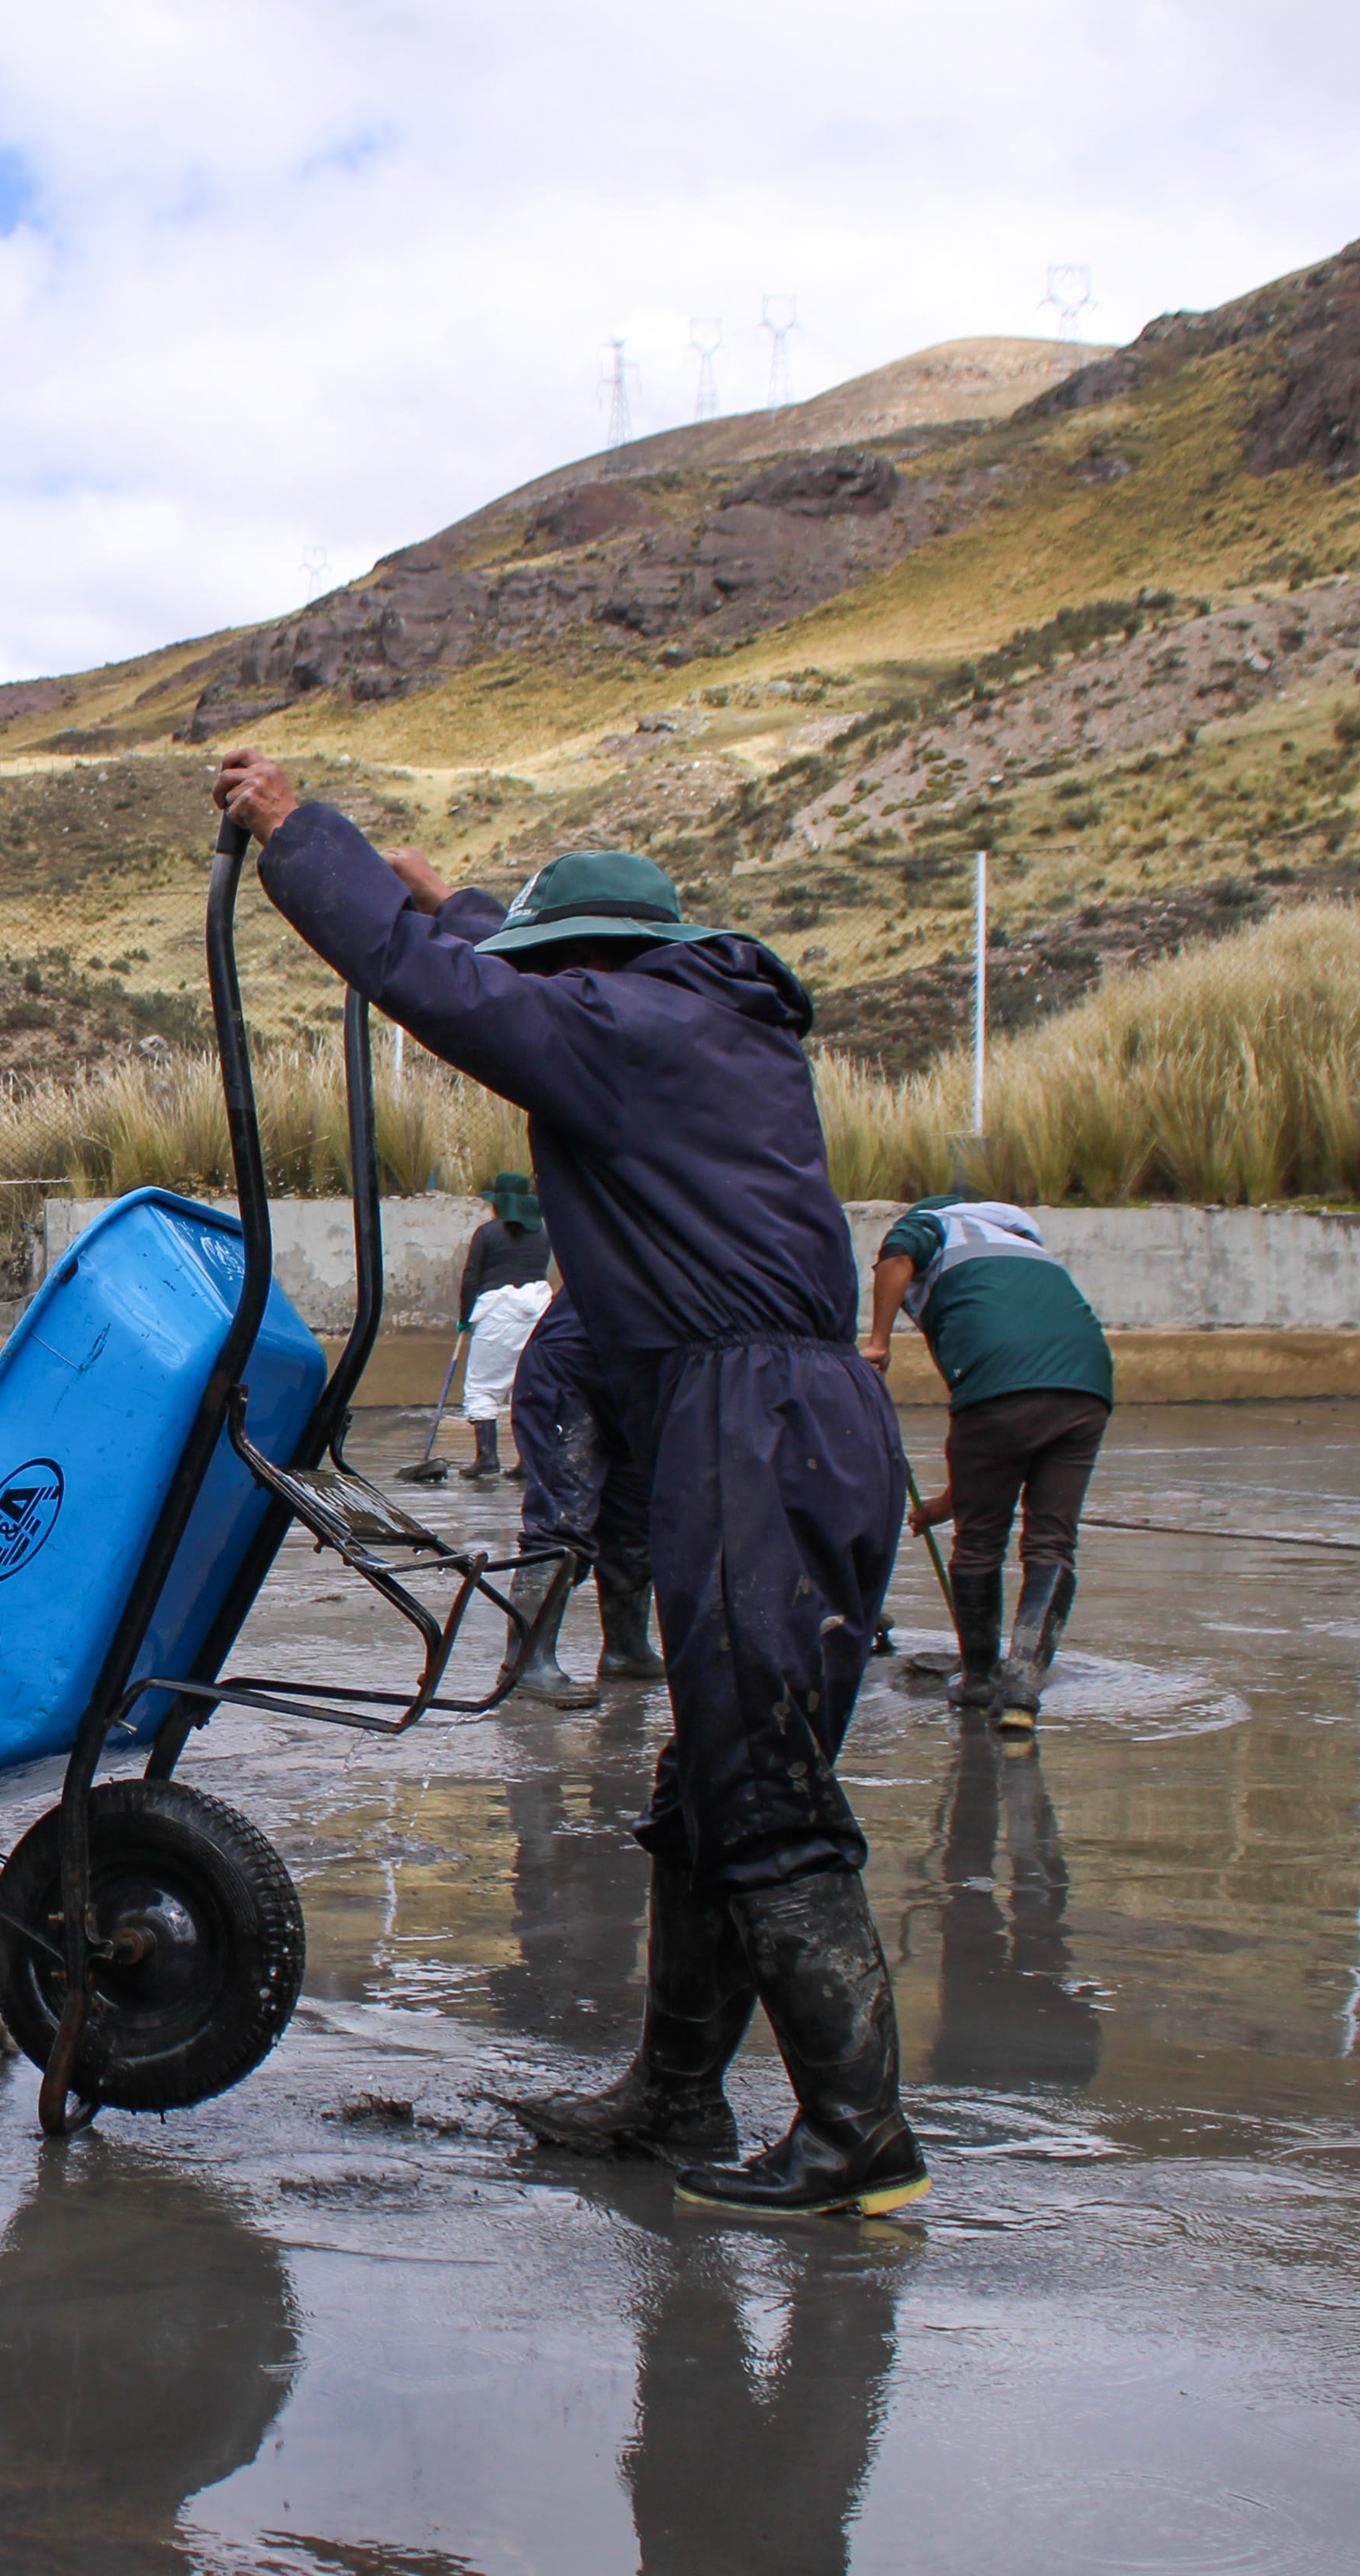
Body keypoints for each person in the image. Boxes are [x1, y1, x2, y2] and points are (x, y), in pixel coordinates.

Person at [218, 747, 917, 2220]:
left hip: (756, 1420)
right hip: (778, 1416)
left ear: (596, 966)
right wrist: (451, 896)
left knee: (762, 1785)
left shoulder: (634, 1030)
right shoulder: (694, 1021)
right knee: (702, 1785)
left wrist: (305, 844)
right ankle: (673, 2094)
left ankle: (860, 2137)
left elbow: (463, 998)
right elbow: (512, 977)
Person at [868, 1195, 1114, 1736]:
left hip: (999, 1388)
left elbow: (895, 1260)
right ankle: (1023, 1686)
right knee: (1052, 1539)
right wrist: (942, 1504)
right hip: (1086, 1383)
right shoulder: (1023, 1245)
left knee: (980, 1540)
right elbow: (999, 1445)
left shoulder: (933, 1224)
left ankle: (979, 1681)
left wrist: (879, 1344)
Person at [496, 1294, 661, 1706]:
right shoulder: (638, 1232)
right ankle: (526, 1661)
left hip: (640, 1380)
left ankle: (627, 1649)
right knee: (562, 1514)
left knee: (633, 1522)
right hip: (572, 1371)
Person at [452, 1170, 553, 1482]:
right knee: (527, 1385)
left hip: (497, 1314)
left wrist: (465, 1317)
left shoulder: (487, 1233)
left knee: (484, 1385)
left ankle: (487, 1457)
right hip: (537, 1313)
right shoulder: (544, 1234)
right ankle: (528, 1459)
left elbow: (472, 1276)